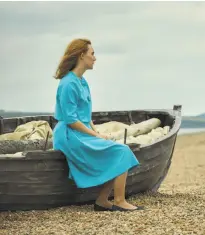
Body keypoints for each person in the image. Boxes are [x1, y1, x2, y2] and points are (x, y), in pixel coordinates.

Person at [52, 38, 144, 211]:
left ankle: (102, 200)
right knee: (122, 151)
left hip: (80, 132)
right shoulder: (68, 84)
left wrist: (97, 132)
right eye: (92, 54)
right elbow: (71, 120)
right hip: (69, 136)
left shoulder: (82, 82)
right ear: (81, 56)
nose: (95, 58)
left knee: (114, 151)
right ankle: (119, 201)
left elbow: (85, 116)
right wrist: (95, 136)